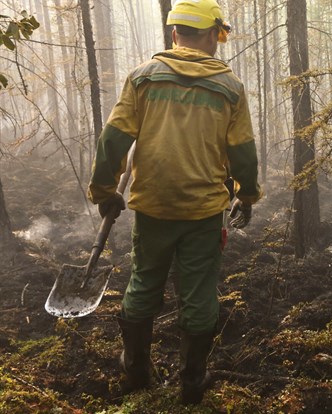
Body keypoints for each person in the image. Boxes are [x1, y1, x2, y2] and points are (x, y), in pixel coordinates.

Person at [87, 0, 262, 404]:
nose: (219, 44)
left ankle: (135, 373)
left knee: (144, 282)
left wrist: (104, 192)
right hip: (203, 212)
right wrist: (247, 194)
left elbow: (113, 140)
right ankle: (192, 383)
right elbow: (243, 154)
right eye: (219, 35)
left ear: (175, 33)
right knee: (199, 293)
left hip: (152, 208)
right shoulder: (230, 88)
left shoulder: (142, 78)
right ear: (209, 34)